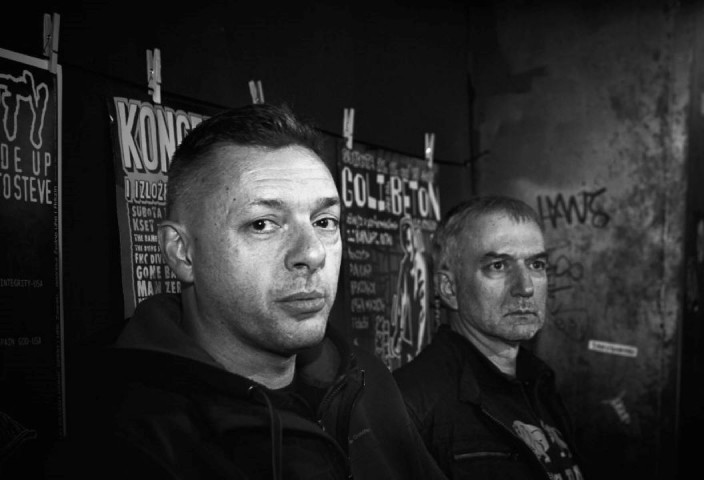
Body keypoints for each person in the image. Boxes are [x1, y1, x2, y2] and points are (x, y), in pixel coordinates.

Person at [65, 103, 447, 480]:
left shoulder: (365, 380)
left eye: (324, 221)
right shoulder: (127, 442)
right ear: (182, 252)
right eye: (262, 224)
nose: (312, 253)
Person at [393, 195, 586, 480]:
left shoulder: (539, 382)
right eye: (498, 266)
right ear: (449, 288)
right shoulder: (412, 404)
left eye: (536, 265)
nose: (526, 287)